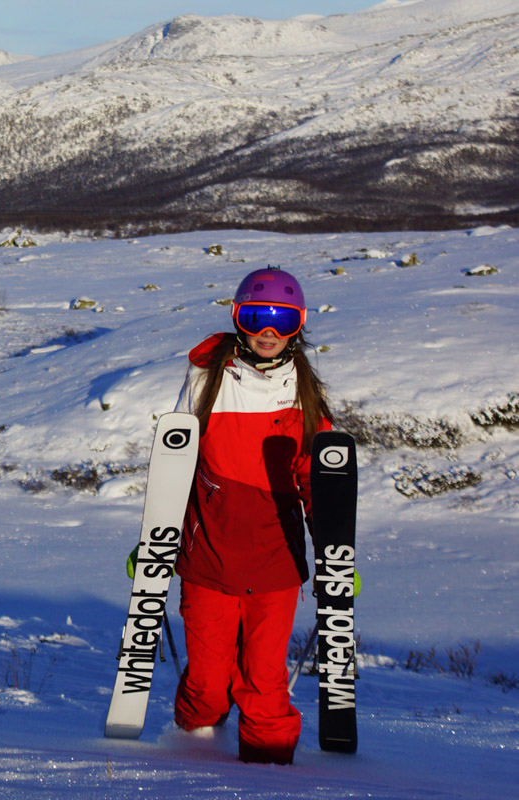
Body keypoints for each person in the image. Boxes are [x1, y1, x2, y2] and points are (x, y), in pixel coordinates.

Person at [172, 266, 332, 764]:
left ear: (298, 325)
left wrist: (334, 549)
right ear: (238, 318)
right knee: (207, 686)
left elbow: (318, 478)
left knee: (264, 683)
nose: (268, 331)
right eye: (256, 316)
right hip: (209, 558)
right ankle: (189, 752)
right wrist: (154, 538)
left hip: (274, 563)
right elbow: (175, 461)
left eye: (282, 320)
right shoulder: (207, 380)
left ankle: (270, 776)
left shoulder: (303, 391)